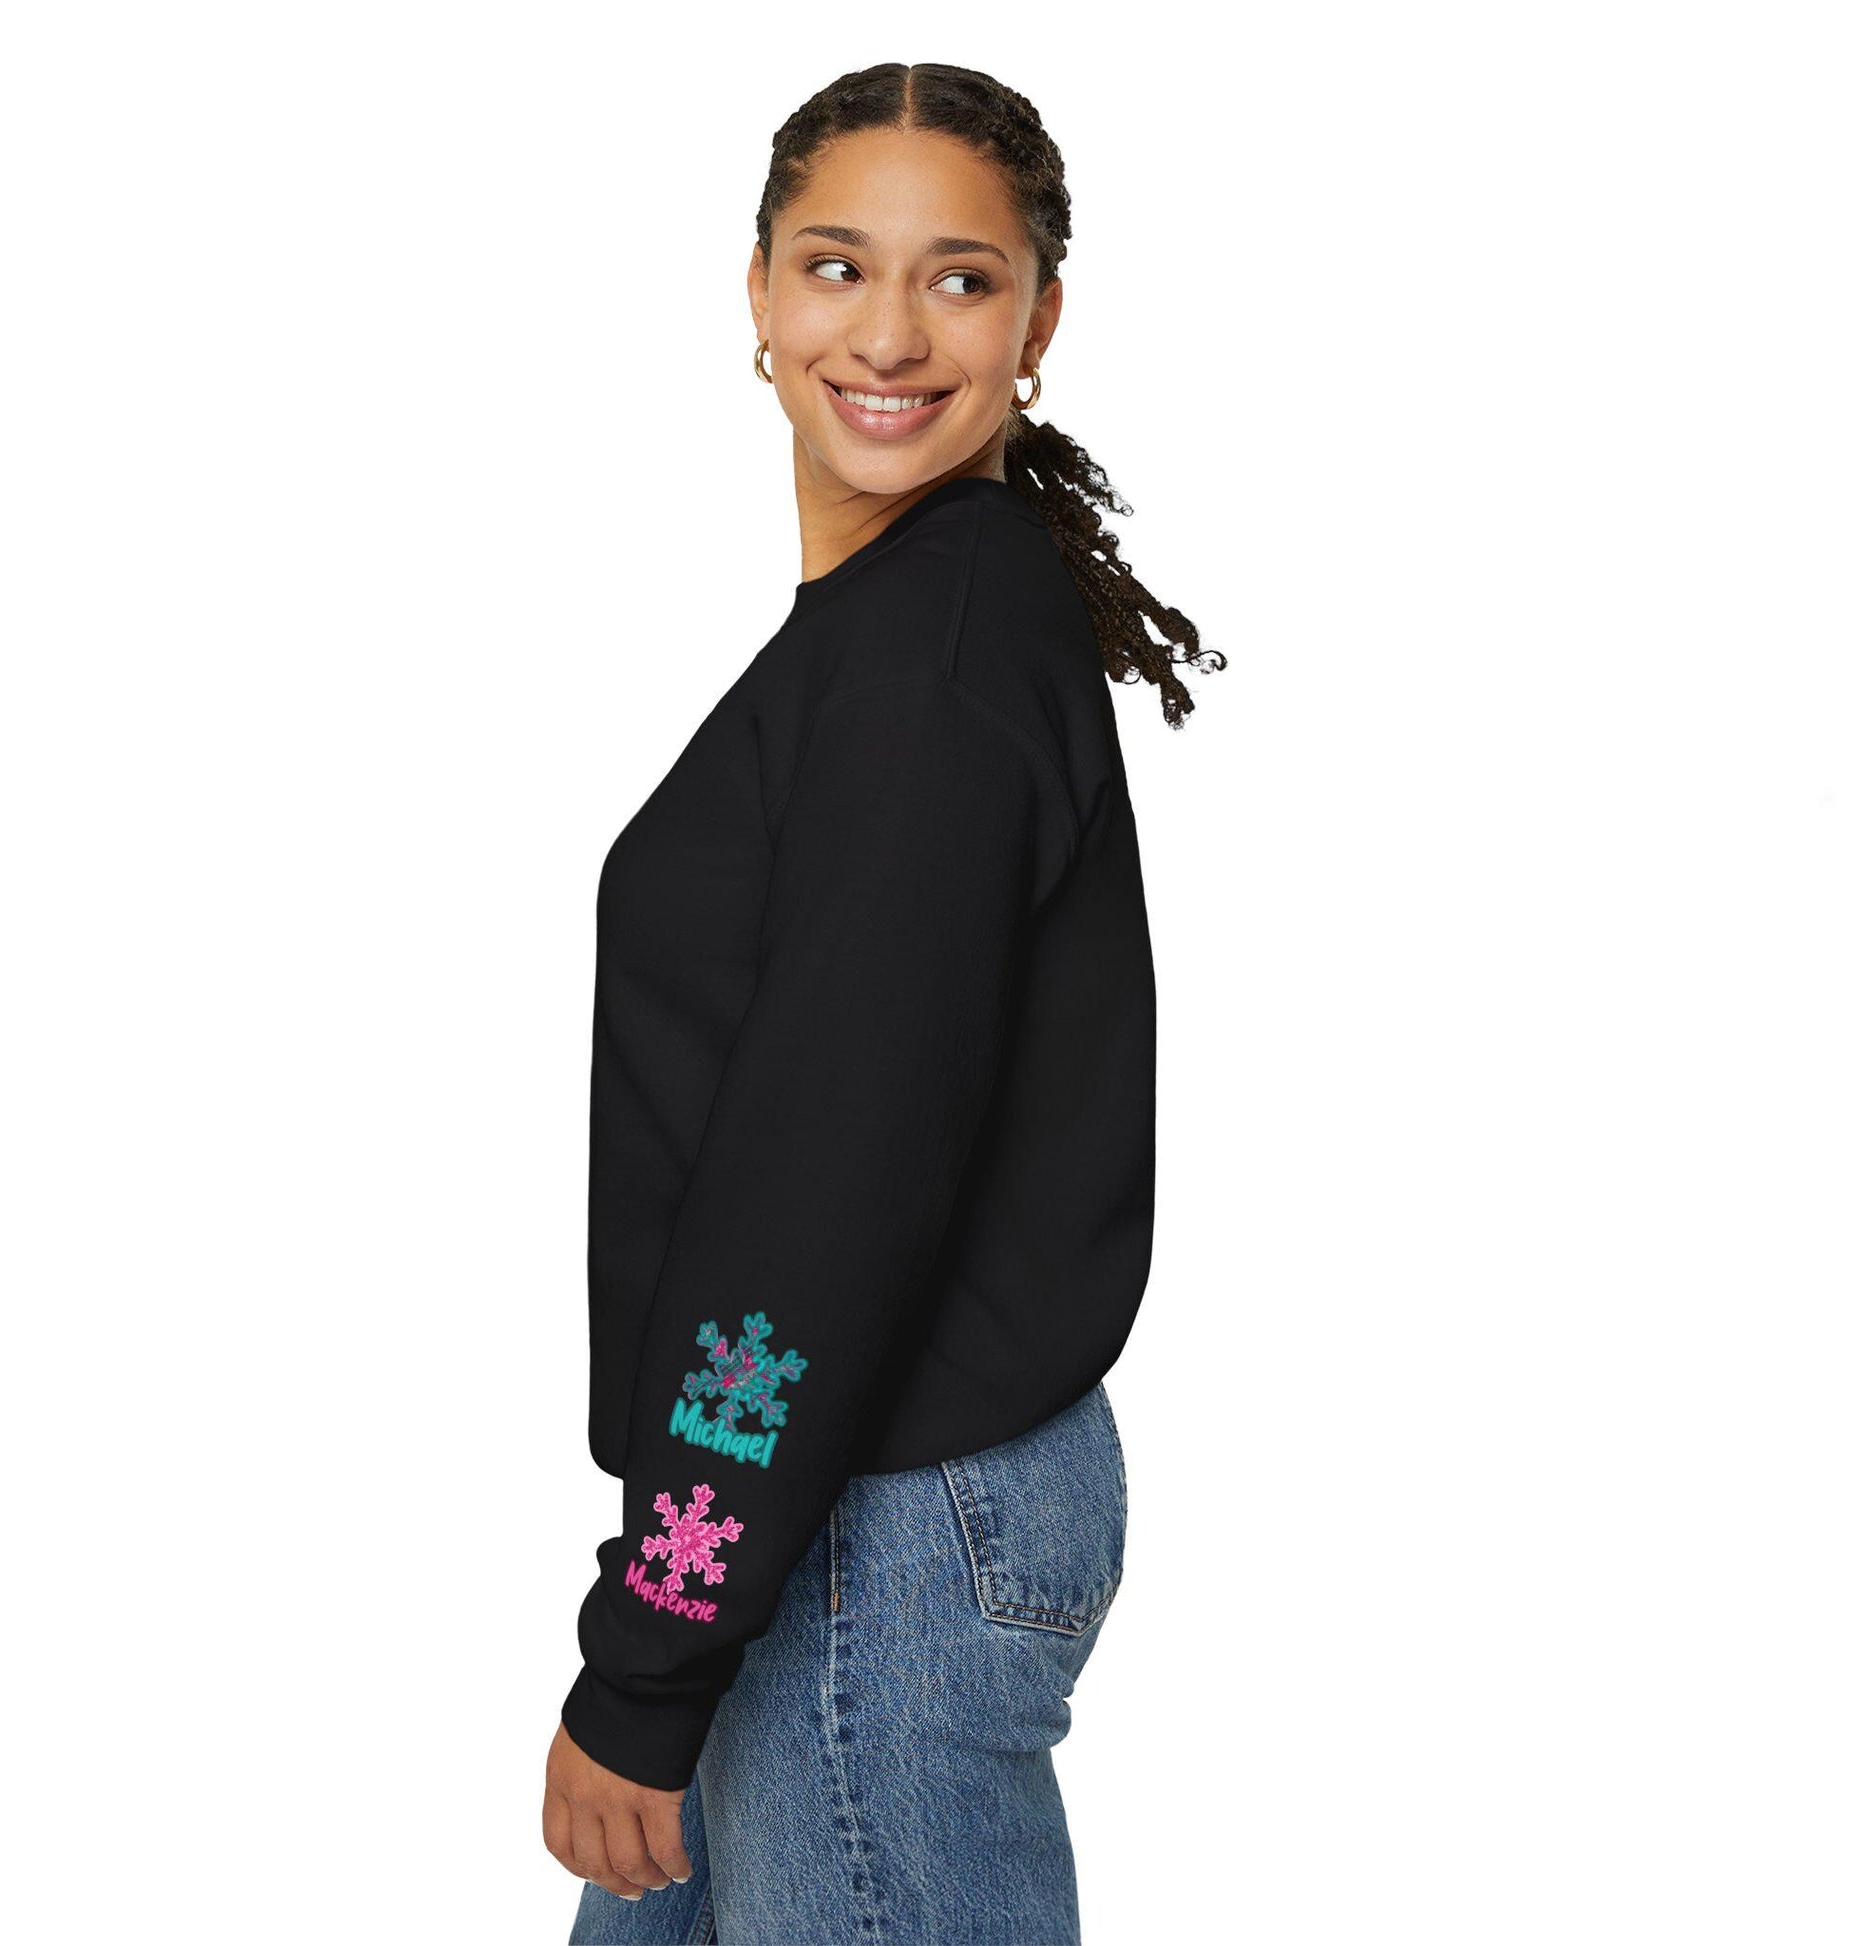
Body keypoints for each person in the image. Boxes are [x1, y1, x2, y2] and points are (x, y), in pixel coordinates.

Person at [542, 61, 1221, 1946]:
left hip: (875, 1534)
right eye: (838, 266)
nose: (891, 335)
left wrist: (655, 1642)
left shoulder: (931, 660)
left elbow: (822, 1190)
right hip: (819, 1513)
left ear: (1039, 322)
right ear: (758, 292)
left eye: (962, 278)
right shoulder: (907, 624)